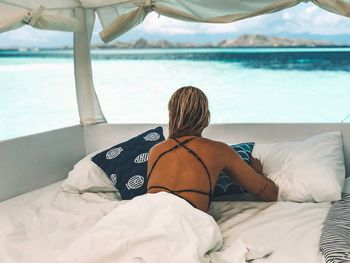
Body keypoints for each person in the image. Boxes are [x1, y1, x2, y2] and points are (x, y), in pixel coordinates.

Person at [147, 86, 278, 212]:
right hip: (185, 222)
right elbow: (270, 194)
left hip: (146, 215)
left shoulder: (155, 151)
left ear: (171, 115)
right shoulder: (219, 150)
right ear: (205, 117)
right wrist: (257, 171)